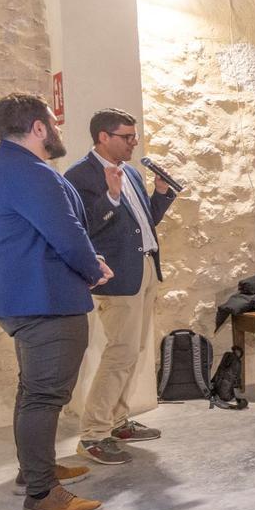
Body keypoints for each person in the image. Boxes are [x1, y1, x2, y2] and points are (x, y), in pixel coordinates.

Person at [0, 93, 113, 510]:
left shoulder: (7, 165)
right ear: (38, 127)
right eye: (53, 122)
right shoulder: (30, 171)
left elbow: (46, 232)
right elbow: (66, 232)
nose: (57, 129)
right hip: (45, 299)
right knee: (44, 396)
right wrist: (93, 269)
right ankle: (41, 493)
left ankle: (34, 470)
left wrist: (88, 261)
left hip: (28, 296)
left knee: (33, 391)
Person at [65, 109, 176, 465]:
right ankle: (93, 434)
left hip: (144, 267)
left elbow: (145, 222)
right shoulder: (79, 175)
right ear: (103, 137)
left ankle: (117, 421)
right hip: (117, 276)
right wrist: (111, 198)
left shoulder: (130, 171)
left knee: (135, 350)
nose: (134, 142)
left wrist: (161, 194)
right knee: (120, 352)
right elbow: (85, 227)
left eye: (134, 136)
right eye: (127, 137)